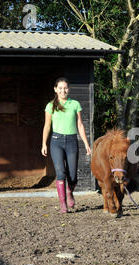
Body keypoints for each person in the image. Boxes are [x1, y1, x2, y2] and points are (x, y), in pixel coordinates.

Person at [41, 77, 91, 213]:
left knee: (73, 176)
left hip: (72, 141)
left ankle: (69, 192)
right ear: (55, 89)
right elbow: (47, 126)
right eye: (60, 88)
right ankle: (63, 204)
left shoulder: (75, 104)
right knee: (60, 172)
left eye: (65, 88)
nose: (63, 90)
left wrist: (86, 143)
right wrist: (44, 144)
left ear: (68, 89)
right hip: (56, 141)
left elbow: (80, 125)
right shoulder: (50, 105)